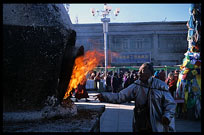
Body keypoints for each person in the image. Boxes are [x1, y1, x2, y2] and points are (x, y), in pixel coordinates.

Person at [94, 62, 176, 132]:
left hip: (156, 122)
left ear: (150, 73)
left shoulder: (160, 86)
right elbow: (121, 96)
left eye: (142, 71)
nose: (139, 73)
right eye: (139, 71)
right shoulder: (136, 85)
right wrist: (104, 96)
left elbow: (170, 103)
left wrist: (167, 116)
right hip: (140, 121)